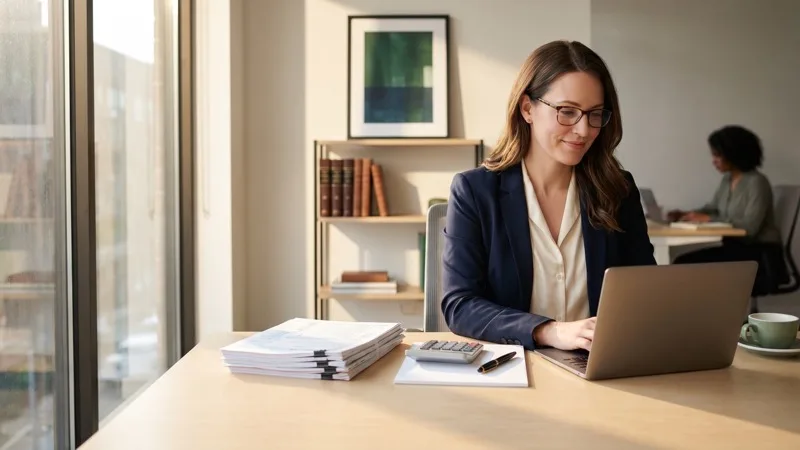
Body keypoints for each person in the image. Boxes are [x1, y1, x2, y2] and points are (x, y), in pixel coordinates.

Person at [440, 40, 656, 353]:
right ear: (527, 108)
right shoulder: (475, 192)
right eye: (567, 112)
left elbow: (645, 291)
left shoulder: (617, 190)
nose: (583, 130)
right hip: (512, 369)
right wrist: (548, 331)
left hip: (599, 369)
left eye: (595, 114)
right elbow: (460, 306)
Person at [669, 125, 787, 293]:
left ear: (733, 153)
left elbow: (750, 228)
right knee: (681, 263)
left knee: (685, 265)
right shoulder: (727, 180)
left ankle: (703, 314)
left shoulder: (757, 182)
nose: (713, 161)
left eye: (717, 155)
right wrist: (687, 214)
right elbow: (713, 208)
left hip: (758, 255)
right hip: (735, 249)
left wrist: (708, 219)